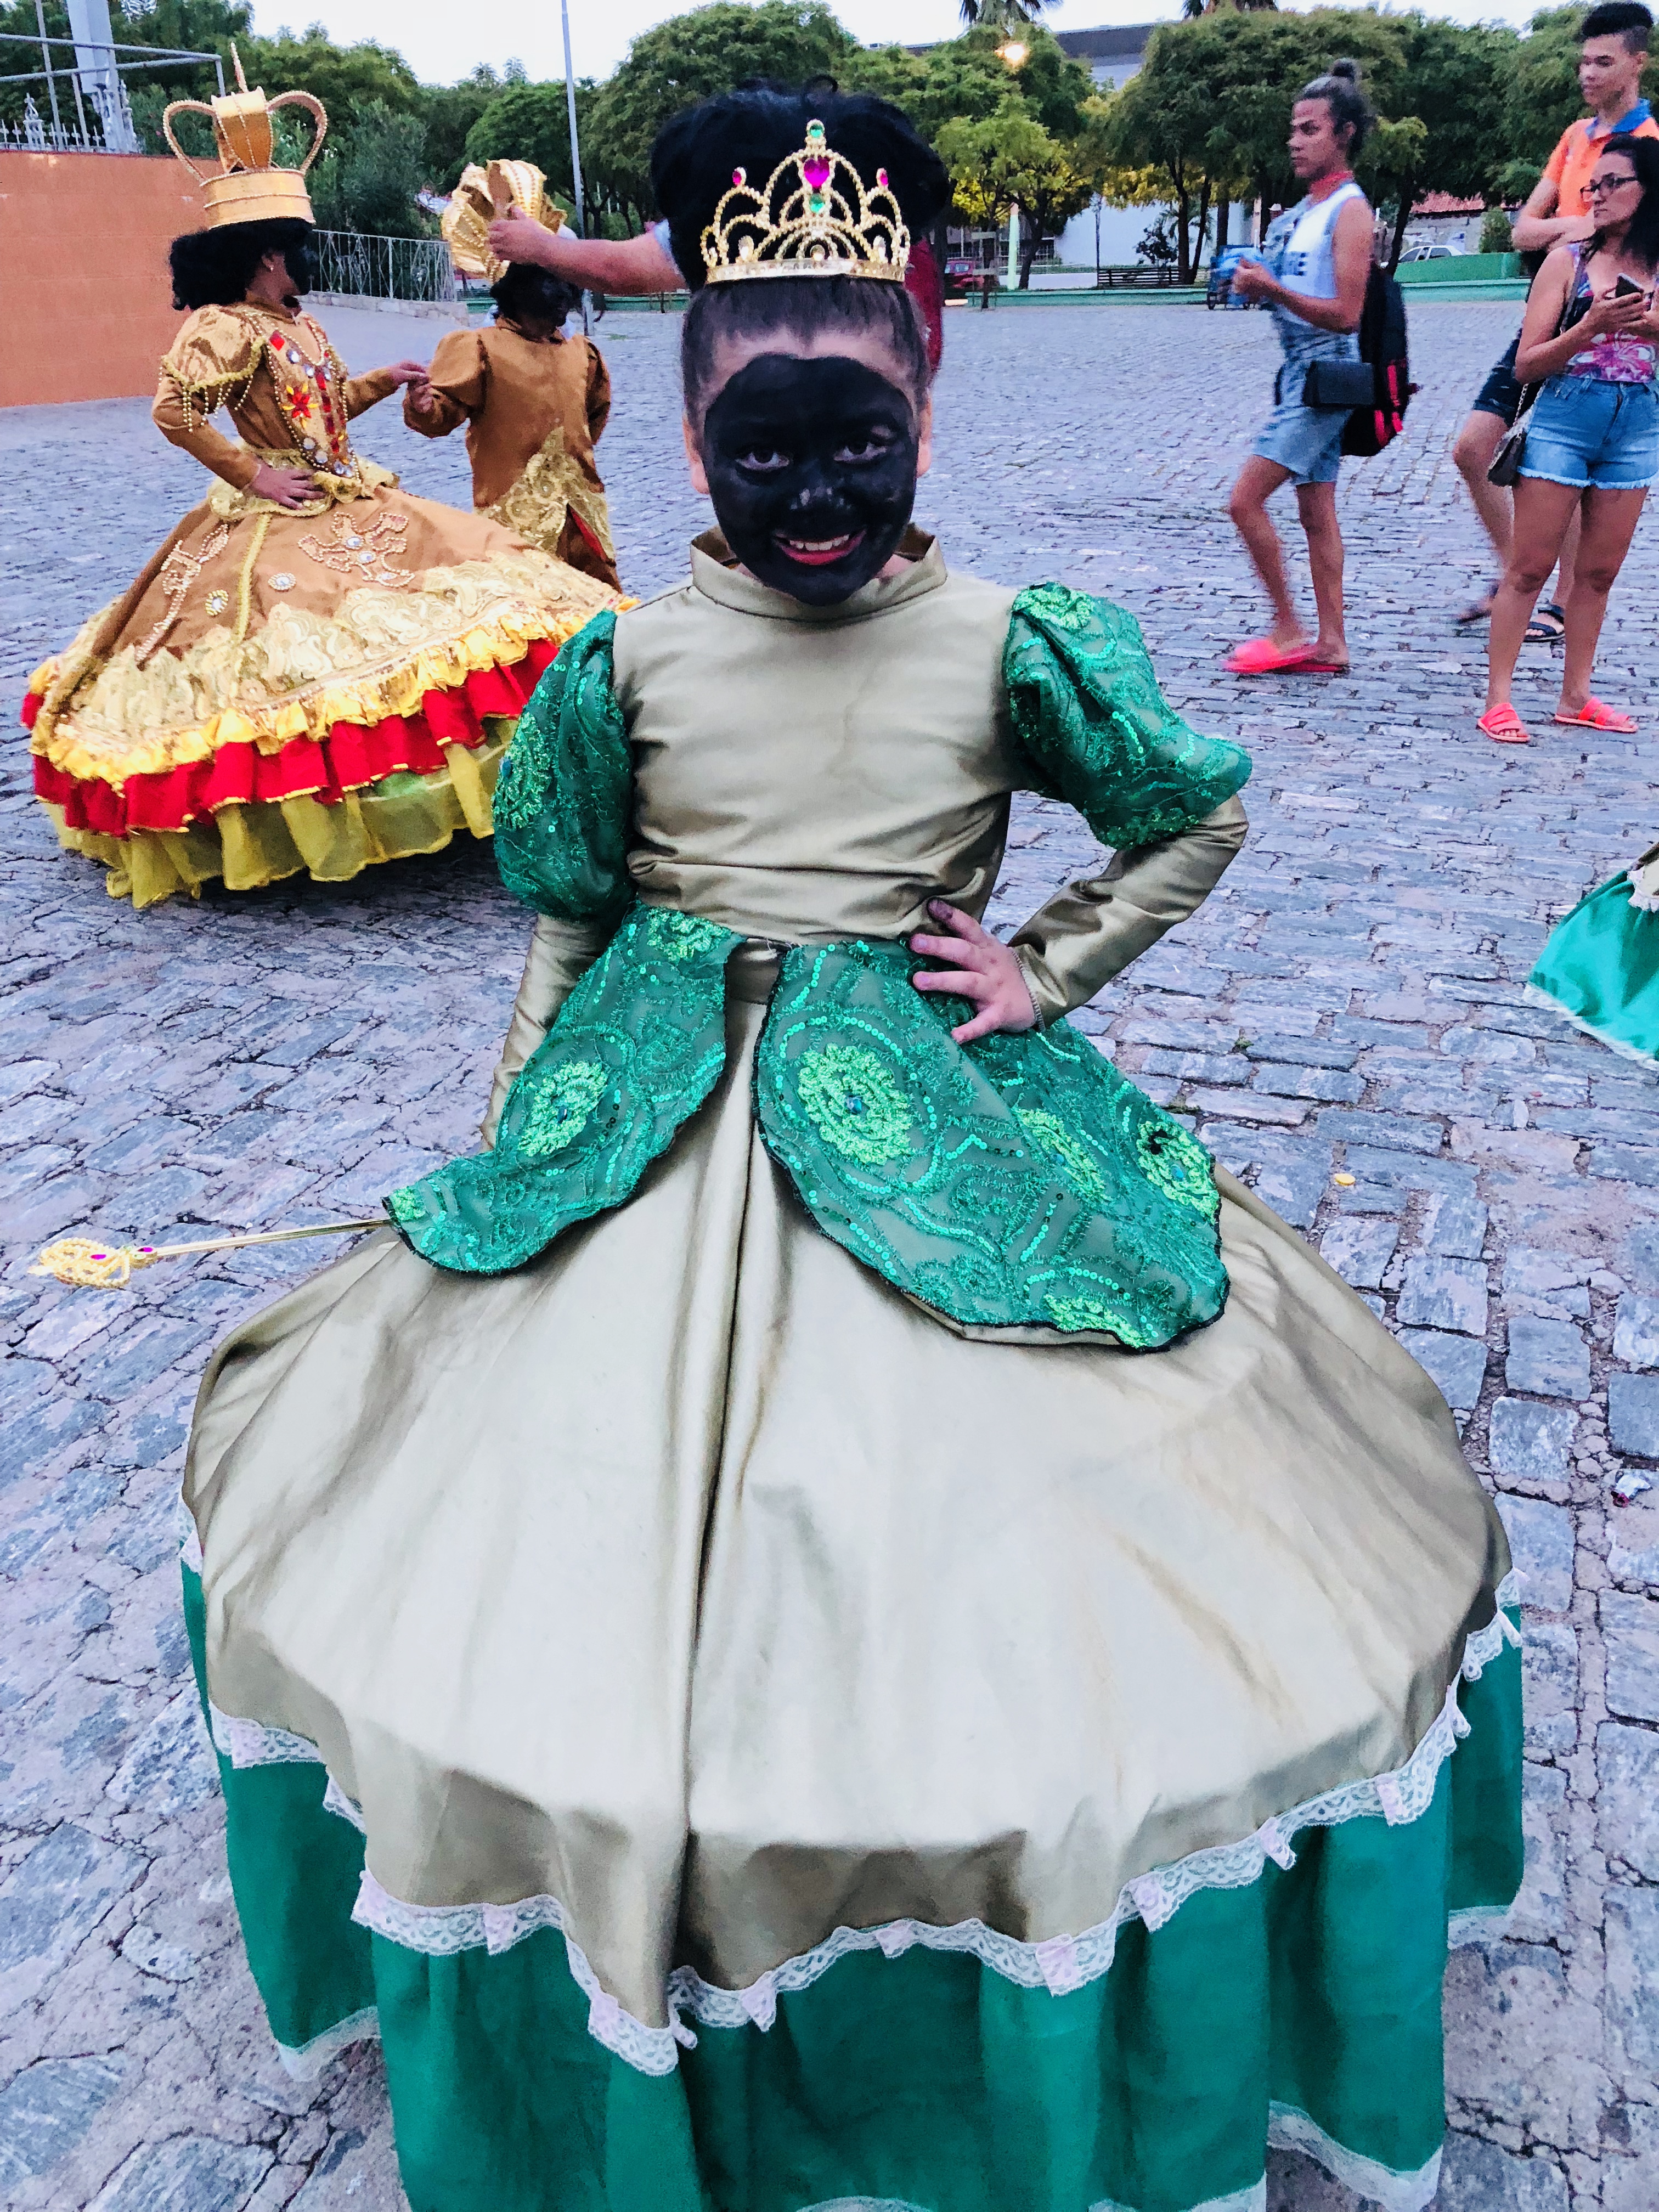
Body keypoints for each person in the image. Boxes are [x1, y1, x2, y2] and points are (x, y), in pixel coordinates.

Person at [179, 86, 1520, 2212]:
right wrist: (523, 1125)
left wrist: (1042, 970)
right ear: (687, 437)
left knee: (1011, 1540)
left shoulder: (999, 641)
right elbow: (571, 910)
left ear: (925, 413)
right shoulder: (623, 659)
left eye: (857, 447)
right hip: (655, 1115)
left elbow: (1193, 807)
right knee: (535, 1520)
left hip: (933, 1121)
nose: (813, 495)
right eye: (763, 451)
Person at [22, 68, 619, 910]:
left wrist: (380, 381)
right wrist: (253, 471)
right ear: (271, 254)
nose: (311, 254)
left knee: (479, 582)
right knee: (303, 648)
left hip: (352, 494)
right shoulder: (225, 325)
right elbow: (175, 411)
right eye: (300, 243)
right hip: (281, 512)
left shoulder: (298, 321)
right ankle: (330, 812)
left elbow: (324, 411)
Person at [1451, 1, 1659, 634]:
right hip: (1551, 315)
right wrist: (1584, 226)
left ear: (1637, 63)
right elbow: (1523, 230)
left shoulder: (1651, 146)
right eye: (1583, 62)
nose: (1588, 73)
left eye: (1603, 61)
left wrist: (1570, 232)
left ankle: (1559, 602)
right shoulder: (1574, 138)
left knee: (1567, 466)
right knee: (1472, 449)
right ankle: (1520, 574)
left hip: (1614, 329)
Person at [1479, 132, 1659, 742]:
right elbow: (1527, 364)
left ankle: (1576, 694)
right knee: (1530, 567)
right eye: (1593, 185)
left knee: (1599, 573)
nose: (1596, 195)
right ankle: (1498, 699)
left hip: (1637, 425)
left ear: (1648, 191)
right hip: (1563, 420)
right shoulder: (1568, 262)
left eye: (1612, 184)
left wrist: (1647, 325)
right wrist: (1589, 327)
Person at [1223, 62, 1375, 676]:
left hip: (1326, 371)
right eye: (1293, 129)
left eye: (1310, 130)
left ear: (1344, 134)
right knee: (1316, 511)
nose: (1295, 141)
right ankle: (1332, 642)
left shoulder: (1350, 210)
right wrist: (1258, 284)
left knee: (1244, 501)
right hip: (1298, 372)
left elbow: (1346, 315)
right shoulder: (1302, 212)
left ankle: (1288, 627)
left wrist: (1274, 290)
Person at [404, 160, 619, 590]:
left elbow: (593, 414)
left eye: (569, 283)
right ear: (516, 286)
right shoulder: (480, 349)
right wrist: (424, 407)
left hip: (583, 523)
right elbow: (441, 414)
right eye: (552, 283)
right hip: (513, 529)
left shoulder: (581, 354)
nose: (566, 295)